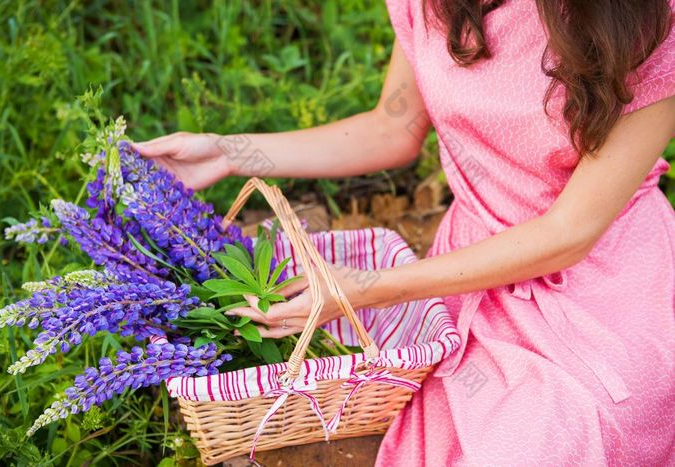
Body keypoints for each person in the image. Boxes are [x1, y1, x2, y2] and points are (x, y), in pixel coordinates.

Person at [136, 0, 675, 464]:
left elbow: (571, 231)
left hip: (604, 295)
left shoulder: (647, 19)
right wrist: (227, 152)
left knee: (536, 441)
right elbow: (393, 127)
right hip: (467, 272)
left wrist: (372, 286)